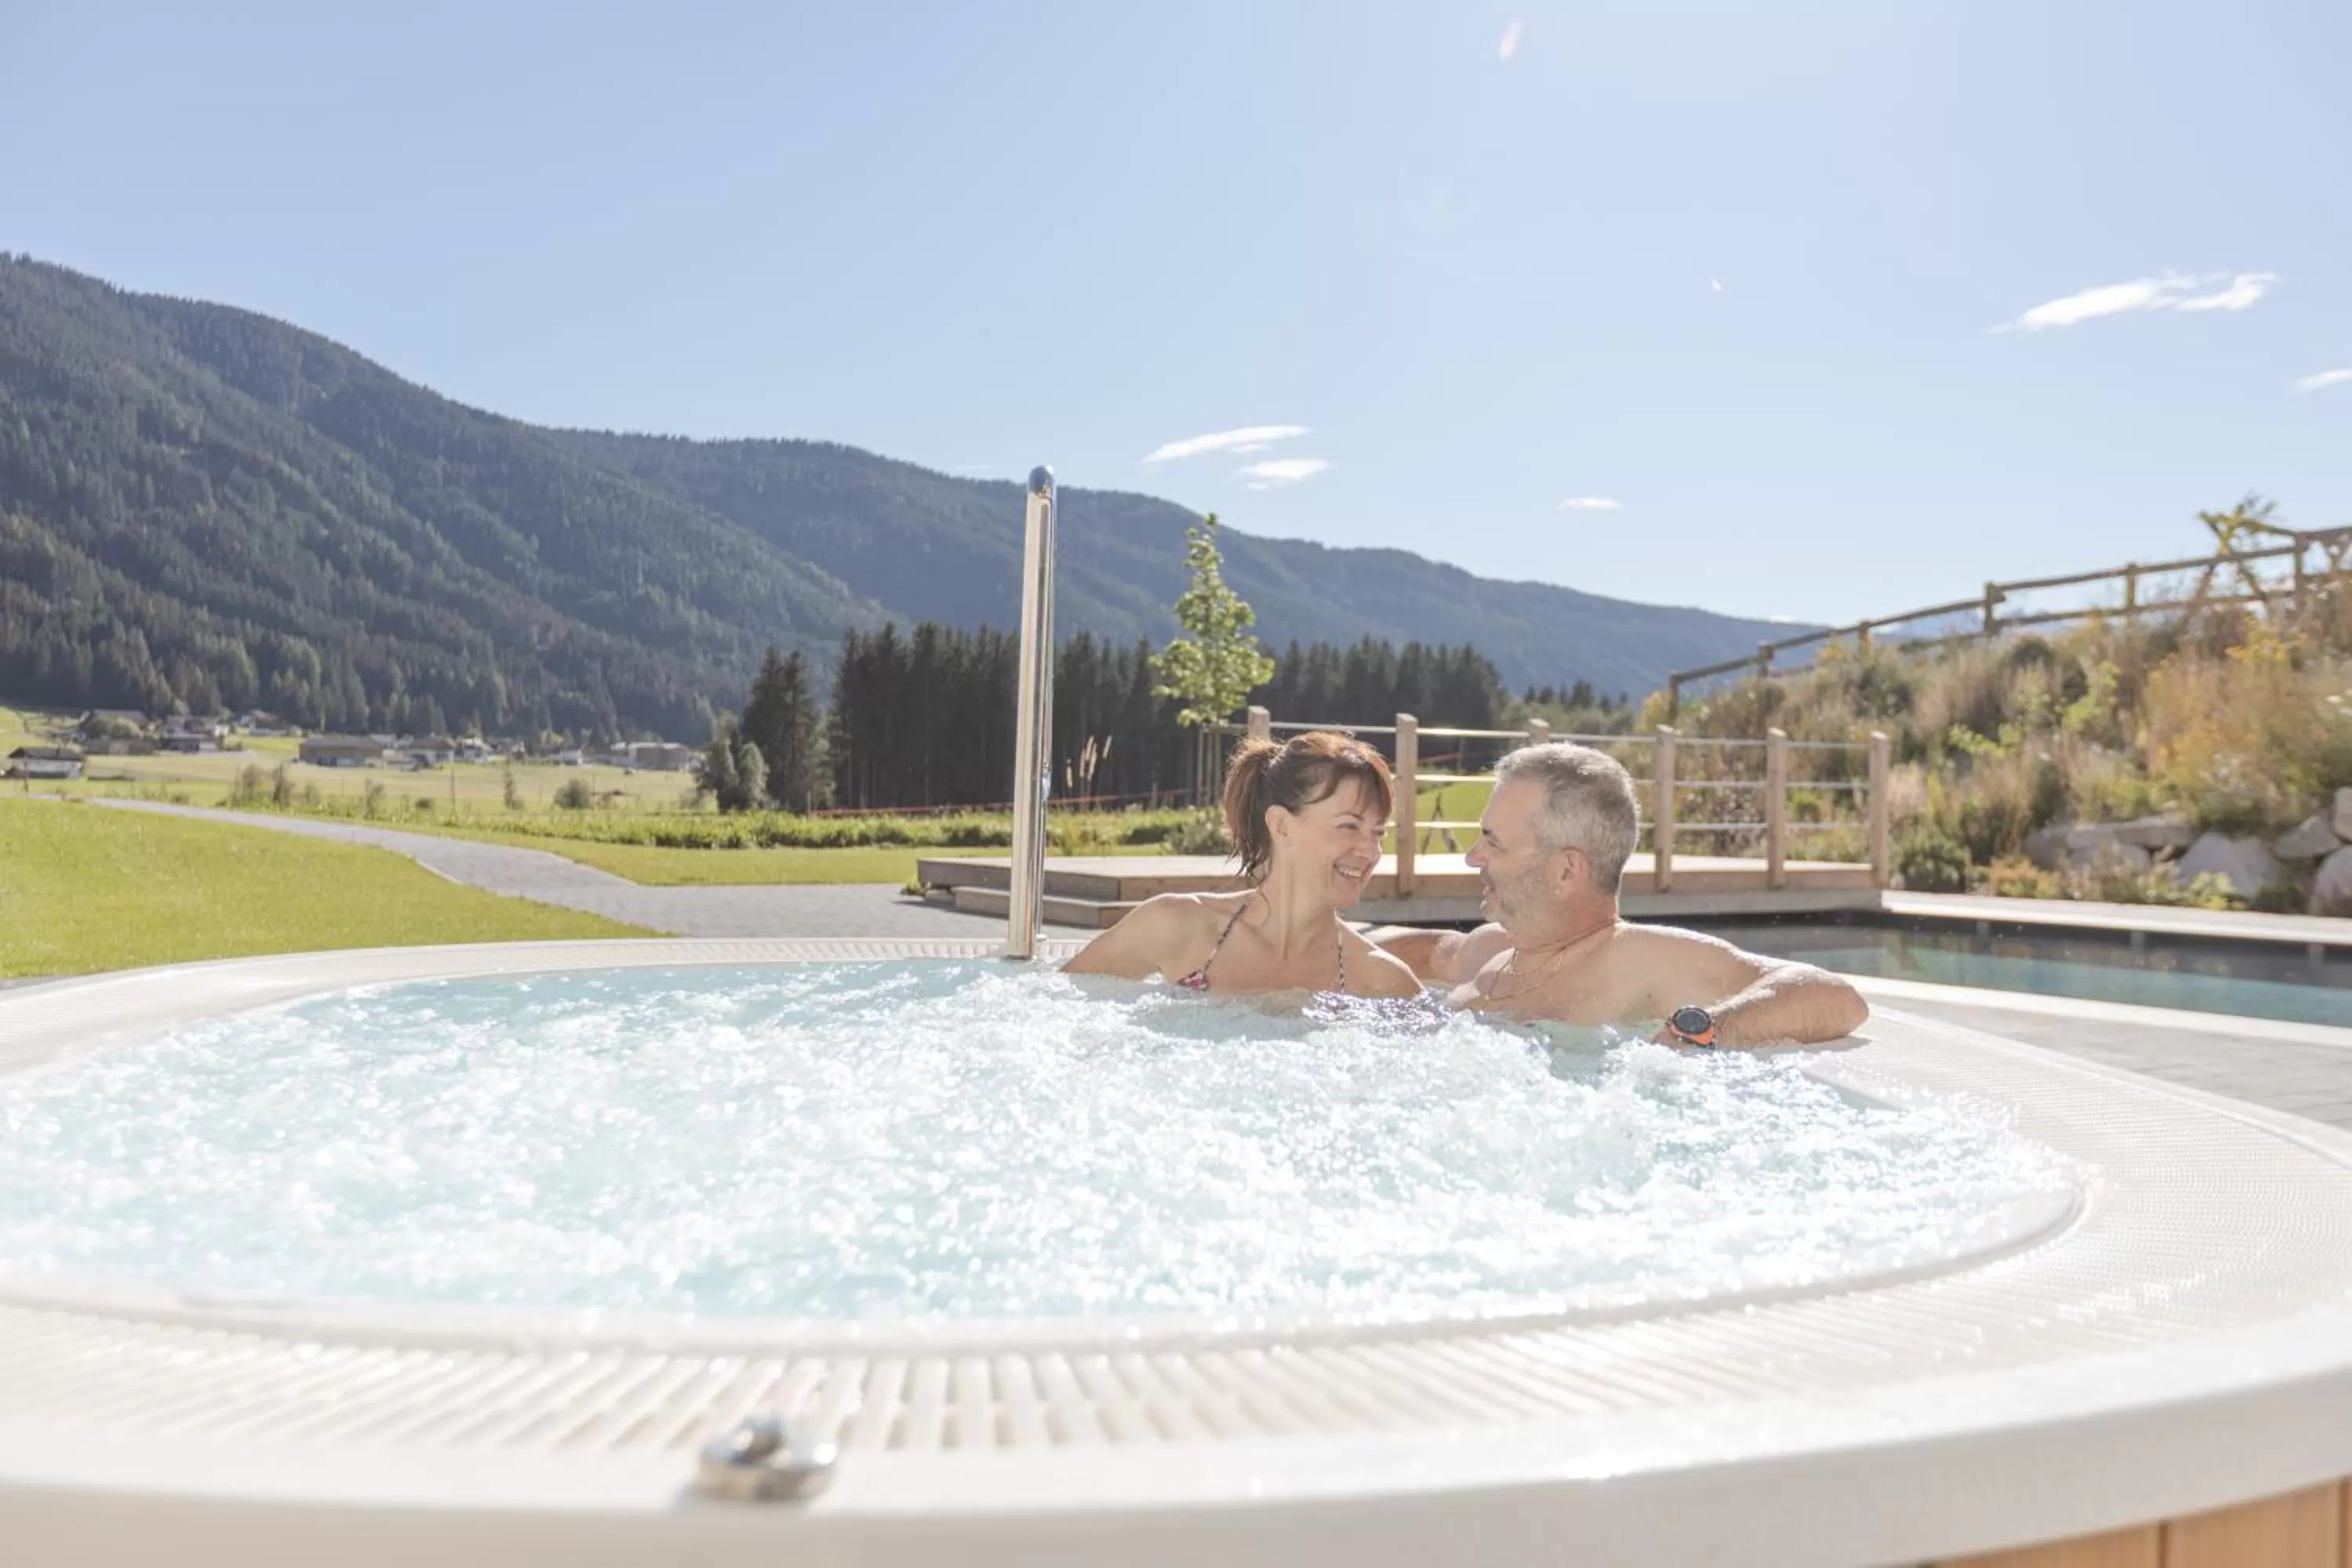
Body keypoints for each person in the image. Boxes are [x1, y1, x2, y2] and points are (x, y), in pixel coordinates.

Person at [1377, 742, 1867, 1045]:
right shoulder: (1490, 949)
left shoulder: (1637, 960)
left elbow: (1835, 997)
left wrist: (1702, 1031)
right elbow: (1423, 951)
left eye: (1493, 842)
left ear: (1566, 871)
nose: (1473, 857)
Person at [1065, 731, 1423, 999]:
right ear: (1281, 826)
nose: (1370, 851)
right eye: (1349, 826)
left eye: (1378, 833)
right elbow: (1055, 1006)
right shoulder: (1179, 927)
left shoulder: (1380, 980)